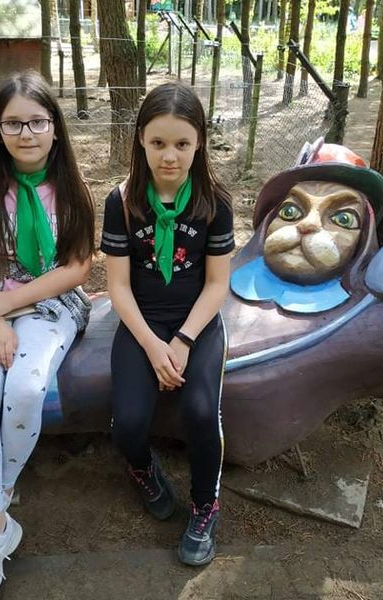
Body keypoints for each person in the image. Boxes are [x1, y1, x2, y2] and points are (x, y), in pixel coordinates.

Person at [0, 71, 95, 600]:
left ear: (54, 127)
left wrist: (10, 306)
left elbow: (78, 267)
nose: (26, 133)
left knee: (27, 389)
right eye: (13, 123)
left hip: (51, 303)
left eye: (37, 121)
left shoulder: (72, 188)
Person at [100, 82, 234, 566]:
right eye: (158, 143)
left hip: (197, 323)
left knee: (200, 413)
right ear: (140, 139)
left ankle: (205, 503)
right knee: (128, 424)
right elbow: (118, 288)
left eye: (182, 143)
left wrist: (182, 340)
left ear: (199, 142)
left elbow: (217, 284)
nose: (170, 156)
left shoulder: (215, 202)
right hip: (141, 323)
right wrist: (154, 347)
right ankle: (143, 469)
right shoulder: (121, 201)